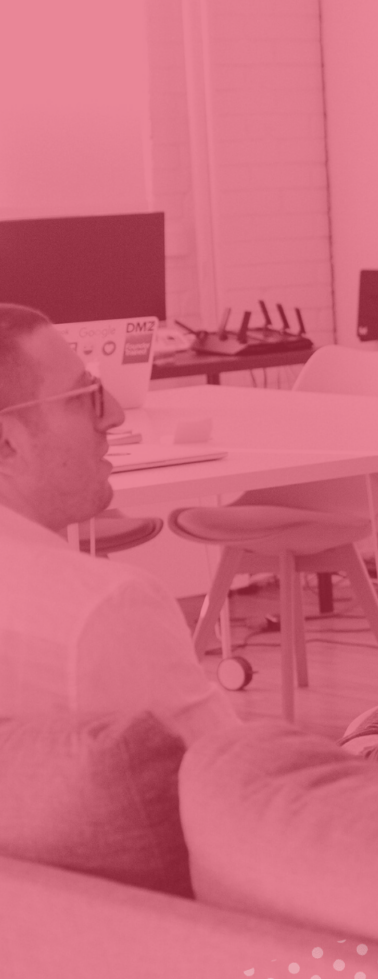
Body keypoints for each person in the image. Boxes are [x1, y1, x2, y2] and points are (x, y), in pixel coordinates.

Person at [0, 303, 238, 740]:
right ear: (6, 444)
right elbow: (229, 766)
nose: (114, 414)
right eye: (84, 396)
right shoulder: (105, 608)